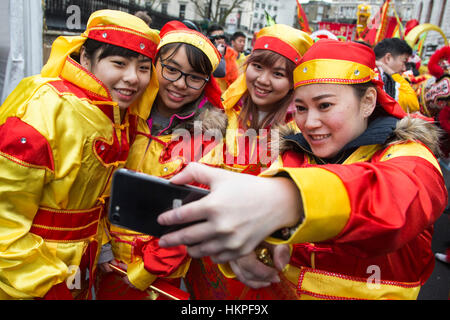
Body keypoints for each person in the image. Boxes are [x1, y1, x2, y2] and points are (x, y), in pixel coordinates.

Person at [157, 39, 448, 300]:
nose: (309, 122)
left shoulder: (410, 155)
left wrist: (290, 198)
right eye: (302, 108)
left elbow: (397, 199)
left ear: (368, 101)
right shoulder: (290, 157)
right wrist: (250, 250)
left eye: (324, 105)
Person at [0, 9, 160, 299]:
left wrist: (102, 250)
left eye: (143, 67)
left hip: (81, 266)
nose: (132, 78)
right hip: (26, 275)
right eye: (119, 63)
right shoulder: (45, 108)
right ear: (86, 58)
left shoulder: (122, 117)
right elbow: (4, 221)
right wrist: (44, 284)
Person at [94, 20, 226, 300]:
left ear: (206, 83)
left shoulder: (207, 140)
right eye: (172, 69)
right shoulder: (120, 118)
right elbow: (93, 188)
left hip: (161, 276)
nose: (180, 84)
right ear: (155, 65)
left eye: (194, 77)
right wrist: (102, 247)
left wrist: (144, 272)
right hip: (105, 264)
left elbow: (192, 218)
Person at [182, 24, 313, 299]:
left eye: (278, 74)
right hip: (207, 253)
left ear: (294, 82)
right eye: (258, 67)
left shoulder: (301, 136)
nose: (263, 80)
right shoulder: (225, 115)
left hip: (256, 255)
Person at [374, 38, 420, 113]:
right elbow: (413, 104)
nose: (404, 68)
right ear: (388, 58)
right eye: (404, 61)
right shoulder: (380, 78)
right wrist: (391, 73)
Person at [207, 24, 239, 92]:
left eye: (222, 37)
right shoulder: (204, 53)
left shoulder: (230, 54)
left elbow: (233, 79)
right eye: (216, 37)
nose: (220, 40)